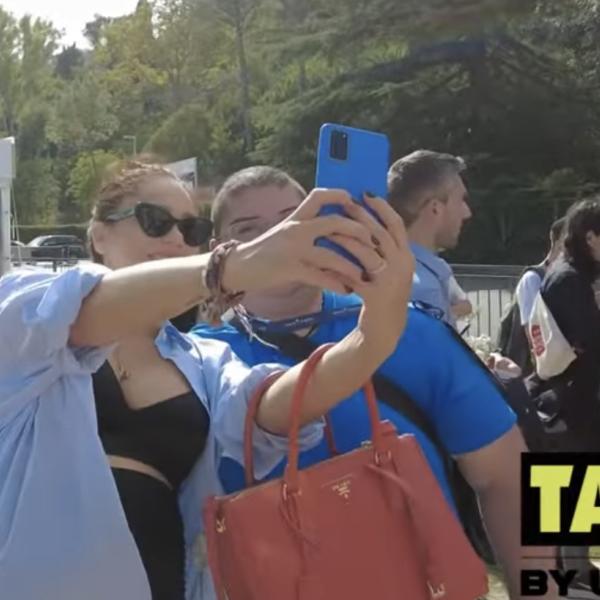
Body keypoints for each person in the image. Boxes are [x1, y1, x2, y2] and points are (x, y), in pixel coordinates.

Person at [0, 161, 414, 600]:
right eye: (155, 222)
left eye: (191, 229)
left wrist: (375, 334)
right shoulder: (27, 304)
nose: (177, 239)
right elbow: (81, 313)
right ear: (99, 235)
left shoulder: (201, 358)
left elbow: (271, 410)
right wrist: (232, 266)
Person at [192, 165, 558, 600]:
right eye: (250, 229)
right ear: (219, 252)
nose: (280, 240)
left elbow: (508, 476)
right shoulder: (197, 362)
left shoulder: (407, 328)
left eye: (294, 221)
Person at [386, 150, 472, 326]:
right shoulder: (425, 292)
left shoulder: (385, 269)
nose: (467, 212)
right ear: (435, 208)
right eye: (461, 200)